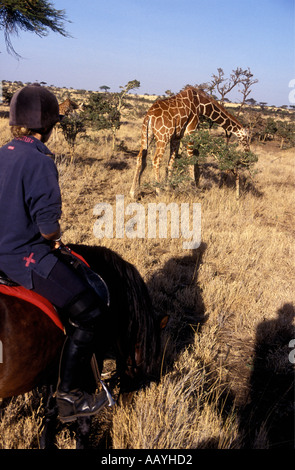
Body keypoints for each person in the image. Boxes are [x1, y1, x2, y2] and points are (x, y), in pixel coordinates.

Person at [0, 84, 108, 423]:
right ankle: (69, 395)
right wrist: (54, 234)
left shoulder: (2, 152)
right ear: (47, 126)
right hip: (23, 259)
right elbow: (48, 229)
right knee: (90, 312)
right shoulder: (41, 160)